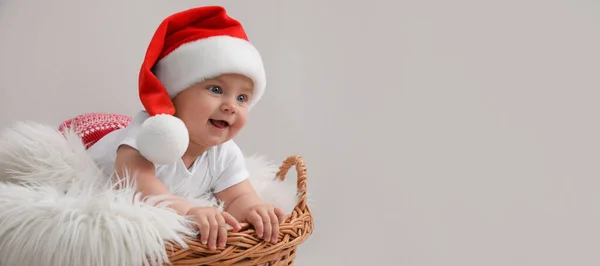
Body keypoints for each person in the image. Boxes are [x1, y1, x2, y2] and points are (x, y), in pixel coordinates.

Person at [85, 6, 285, 251]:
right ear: (174, 95)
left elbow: (237, 196)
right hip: (96, 137)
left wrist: (254, 207)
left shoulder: (224, 152)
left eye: (242, 98)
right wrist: (188, 211)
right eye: (216, 89)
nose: (231, 106)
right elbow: (140, 185)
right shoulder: (150, 134)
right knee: (86, 138)